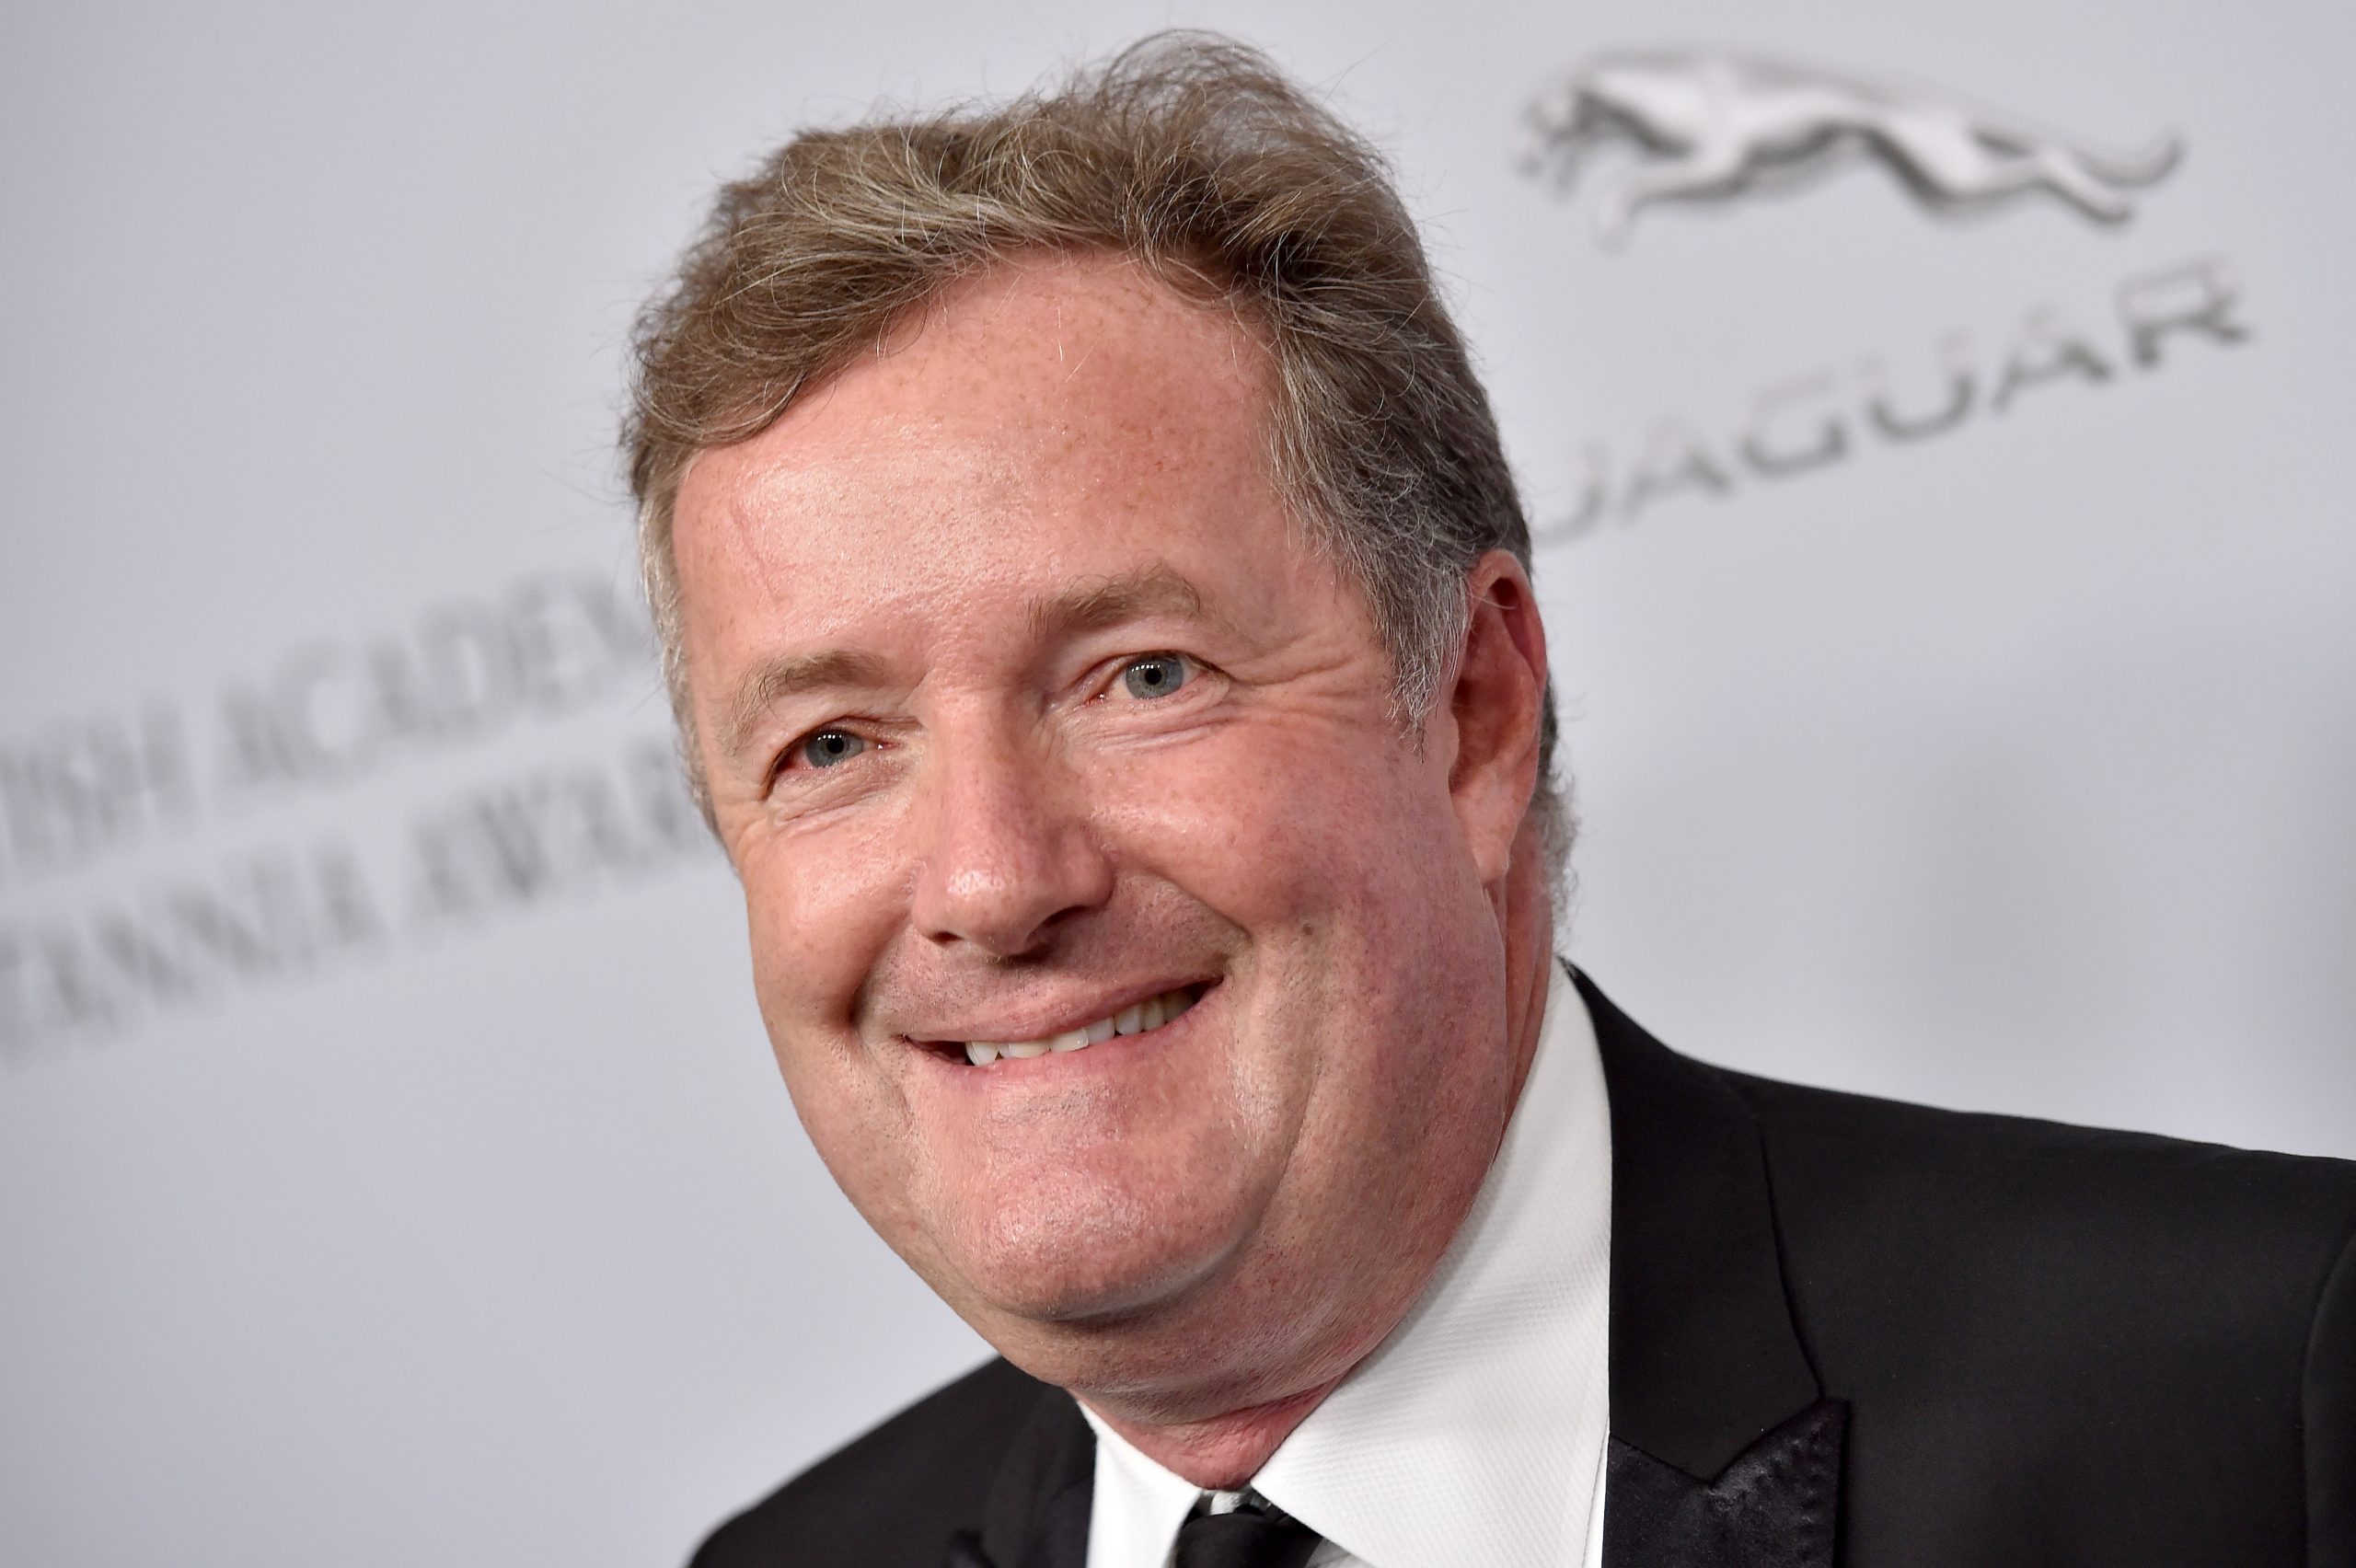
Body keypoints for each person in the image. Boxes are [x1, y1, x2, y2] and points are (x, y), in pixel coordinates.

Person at [621, 32, 2356, 1568]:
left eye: (1144, 676)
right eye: (832, 747)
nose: (993, 882)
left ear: (1473, 712)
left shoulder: (2254, 1410)